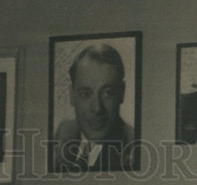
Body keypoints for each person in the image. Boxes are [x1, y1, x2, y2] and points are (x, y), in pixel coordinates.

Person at [53, 44, 137, 172]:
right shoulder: (64, 132)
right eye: (85, 94)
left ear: (122, 93)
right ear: (71, 95)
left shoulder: (134, 147)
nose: (97, 108)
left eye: (107, 93)